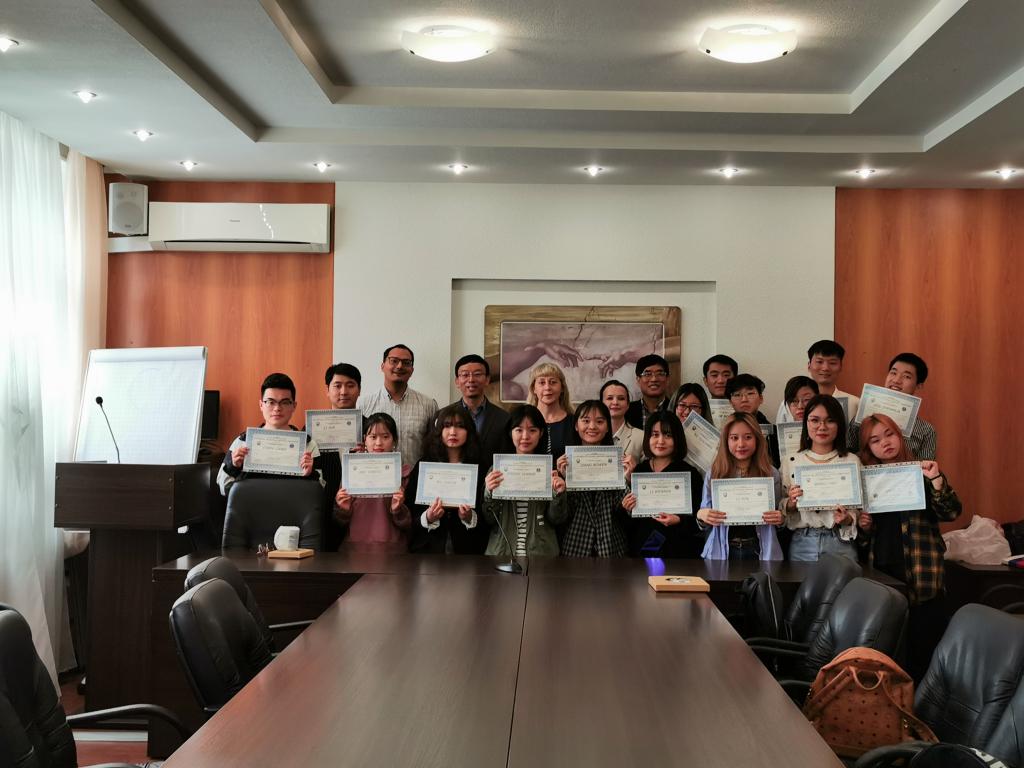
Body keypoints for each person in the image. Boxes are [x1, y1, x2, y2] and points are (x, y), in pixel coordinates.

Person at [855, 412, 961, 679]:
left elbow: (950, 512)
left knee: (924, 651)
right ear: (868, 448)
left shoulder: (923, 472)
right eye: (875, 440)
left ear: (900, 436)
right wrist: (864, 527)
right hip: (883, 572)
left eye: (889, 434)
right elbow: (864, 540)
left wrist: (936, 480)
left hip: (923, 574)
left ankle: (924, 702)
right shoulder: (867, 481)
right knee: (889, 651)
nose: (885, 443)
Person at [782, 394, 861, 561]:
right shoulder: (791, 461)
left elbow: (862, 510)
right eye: (815, 420)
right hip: (802, 542)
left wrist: (847, 518)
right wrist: (790, 503)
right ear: (806, 423)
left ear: (839, 425)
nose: (822, 427)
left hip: (841, 540)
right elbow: (780, 508)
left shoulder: (852, 461)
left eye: (830, 420)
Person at [695, 412, 783, 560]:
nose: (741, 444)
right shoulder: (715, 473)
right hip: (723, 551)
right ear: (726, 441)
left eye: (748, 437)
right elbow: (705, 523)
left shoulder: (770, 473)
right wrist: (701, 515)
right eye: (734, 438)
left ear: (757, 439)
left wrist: (780, 519)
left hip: (760, 549)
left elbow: (779, 520)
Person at [482, 405, 567, 557]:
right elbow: (489, 519)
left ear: (541, 433)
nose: (525, 436)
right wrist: (489, 492)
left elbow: (557, 519)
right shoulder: (496, 470)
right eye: (519, 430)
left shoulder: (550, 471)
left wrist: (559, 495)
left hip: (541, 555)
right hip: (502, 553)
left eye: (532, 430)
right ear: (510, 432)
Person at [217, 372, 322, 495]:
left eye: (285, 402)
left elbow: (320, 490)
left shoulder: (308, 444)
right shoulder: (242, 441)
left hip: (292, 506)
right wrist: (234, 466)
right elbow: (223, 487)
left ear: (294, 406)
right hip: (253, 505)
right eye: (271, 402)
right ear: (261, 405)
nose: (277, 408)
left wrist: (310, 474)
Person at [407, 405, 488, 554]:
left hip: (468, 550)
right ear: (439, 430)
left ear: (469, 431)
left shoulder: (479, 468)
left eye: (460, 426)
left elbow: (488, 515)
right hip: (428, 549)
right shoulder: (424, 466)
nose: (453, 432)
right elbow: (409, 510)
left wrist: (470, 517)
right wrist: (428, 517)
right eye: (447, 426)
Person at [622, 412, 704, 558]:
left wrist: (679, 520)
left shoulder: (690, 474)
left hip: (678, 552)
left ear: (677, 438)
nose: (660, 441)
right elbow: (628, 524)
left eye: (668, 435)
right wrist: (627, 508)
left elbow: (700, 517)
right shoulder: (639, 471)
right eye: (655, 435)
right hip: (641, 551)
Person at [557, 400, 632, 558]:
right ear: (576, 426)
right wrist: (564, 481)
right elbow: (562, 515)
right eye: (585, 421)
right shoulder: (566, 463)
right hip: (575, 546)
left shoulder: (617, 460)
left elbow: (624, 509)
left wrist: (627, 478)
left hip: (611, 546)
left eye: (599, 421)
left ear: (607, 427)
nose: (592, 426)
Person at [334, 413, 411, 553]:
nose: (378, 443)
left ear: (394, 440)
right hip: (355, 550)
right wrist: (343, 510)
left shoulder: (404, 475)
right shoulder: (352, 472)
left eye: (385, 437)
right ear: (365, 439)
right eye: (373, 437)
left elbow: (410, 524)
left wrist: (397, 509)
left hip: (393, 551)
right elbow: (338, 522)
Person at [358, 344, 438, 467]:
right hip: (375, 475)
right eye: (394, 361)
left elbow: (435, 447)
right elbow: (357, 446)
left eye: (406, 363)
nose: (400, 366)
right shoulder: (363, 404)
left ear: (412, 370)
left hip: (416, 477)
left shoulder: (428, 405)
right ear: (382, 366)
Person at [848, 353, 937, 459]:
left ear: (918, 385)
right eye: (893, 373)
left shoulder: (926, 431)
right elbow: (848, 454)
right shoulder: (861, 417)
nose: (896, 380)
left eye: (907, 376)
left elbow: (926, 467)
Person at [317, 362, 361, 550]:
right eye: (337, 385)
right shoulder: (314, 428)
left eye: (350, 385)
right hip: (323, 509)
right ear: (327, 390)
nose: (344, 392)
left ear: (359, 390)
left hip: (362, 511)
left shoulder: (371, 428)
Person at [776, 340, 860, 423]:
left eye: (832, 363)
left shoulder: (854, 403)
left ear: (841, 367)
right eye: (819, 362)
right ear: (809, 365)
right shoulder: (788, 404)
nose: (825, 368)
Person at [725, 373, 780, 466]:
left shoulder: (774, 433)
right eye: (737, 395)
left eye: (750, 393)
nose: (744, 399)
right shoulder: (724, 432)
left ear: (761, 398)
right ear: (730, 402)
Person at [527, 362, 574, 459]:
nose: (547, 387)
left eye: (553, 382)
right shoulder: (522, 421)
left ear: (562, 388)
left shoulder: (574, 422)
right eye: (542, 383)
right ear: (533, 389)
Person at [600, 379, 644, 464]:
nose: (615, 402)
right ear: (601, 404)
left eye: (621, 398)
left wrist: (634, 469)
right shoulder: (591, 434)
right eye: (610, 398)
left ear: (628, 405)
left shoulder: (641, 437)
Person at [625, 354, 671, 429]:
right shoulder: (626, 411)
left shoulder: (677, 410)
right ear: (638, 380)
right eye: (647, 374)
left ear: (667, 379)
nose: (654, 379)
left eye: (660, 374)